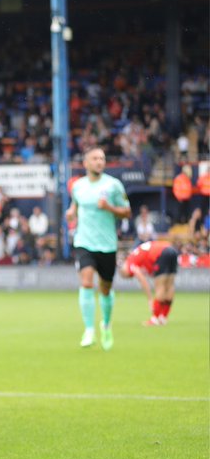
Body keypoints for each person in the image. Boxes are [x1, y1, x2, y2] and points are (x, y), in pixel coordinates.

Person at [65, 148, 130, 349]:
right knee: (86, 282)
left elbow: (127, 212)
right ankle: (89, 330)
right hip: (84, 242)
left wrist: (110, 208)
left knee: (105, 288)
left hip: (107, 244)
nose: (99, 161)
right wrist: (71, 213)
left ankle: (106, 325)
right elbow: (74, 207)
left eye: (102, 158)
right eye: (95, 158)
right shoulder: (78, 186)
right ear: (86, 163)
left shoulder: (113, 185)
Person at [120, 240, 179, 326]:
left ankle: (155, 318)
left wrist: (150, 299)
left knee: (160, 285)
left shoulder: (130, 263)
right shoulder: (137, 254)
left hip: (161, 253)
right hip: (171, 249)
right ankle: (163, 317)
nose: (131, 275)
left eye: (129, 275)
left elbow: (142, 279)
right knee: (169, 285)